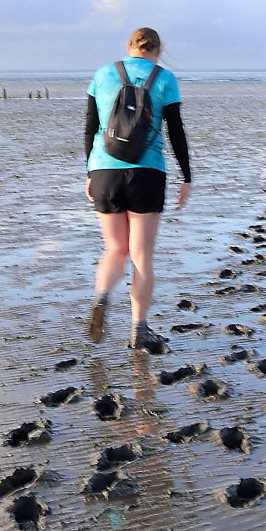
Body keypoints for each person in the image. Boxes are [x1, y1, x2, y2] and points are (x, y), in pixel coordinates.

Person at [83, 27, 191, 349]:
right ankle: (138, 330)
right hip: (147, 172)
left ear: (129, 47)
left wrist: (90, 171)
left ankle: (102, 297)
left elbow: (90, 126)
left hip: (104, 170)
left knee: (115, 248)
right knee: (142, 255)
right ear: (158, 50)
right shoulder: (165, 79)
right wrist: (187, 176)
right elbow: (176, 131)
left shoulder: (103, 74)